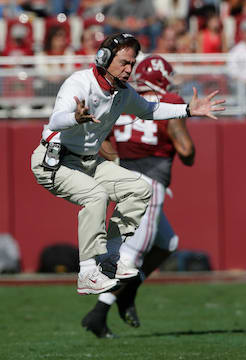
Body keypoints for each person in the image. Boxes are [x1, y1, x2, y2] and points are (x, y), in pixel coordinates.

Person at [31, 33, 225, 297]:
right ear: (104, 58)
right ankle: (87, 272)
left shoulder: (121, 93)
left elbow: (149, 109)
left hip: (88, 161)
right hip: (54, 161)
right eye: (124, 62)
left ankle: (111, 258)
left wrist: (188, 110)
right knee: (96, 196)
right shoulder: (79, 82)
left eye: (132, 64)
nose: (129, 69)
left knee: (138, 188)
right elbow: (55, 121)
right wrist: (75, 118)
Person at [81, 54, 196, 338]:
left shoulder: (124, 98)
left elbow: (101, 137)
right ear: (164, 80)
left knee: (168, 242)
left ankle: (128, 292)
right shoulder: (166, 101)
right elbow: (187, 153)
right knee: (132, 253)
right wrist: (181, 115)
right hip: (150, 182)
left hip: (123, 179)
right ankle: (99, 313)